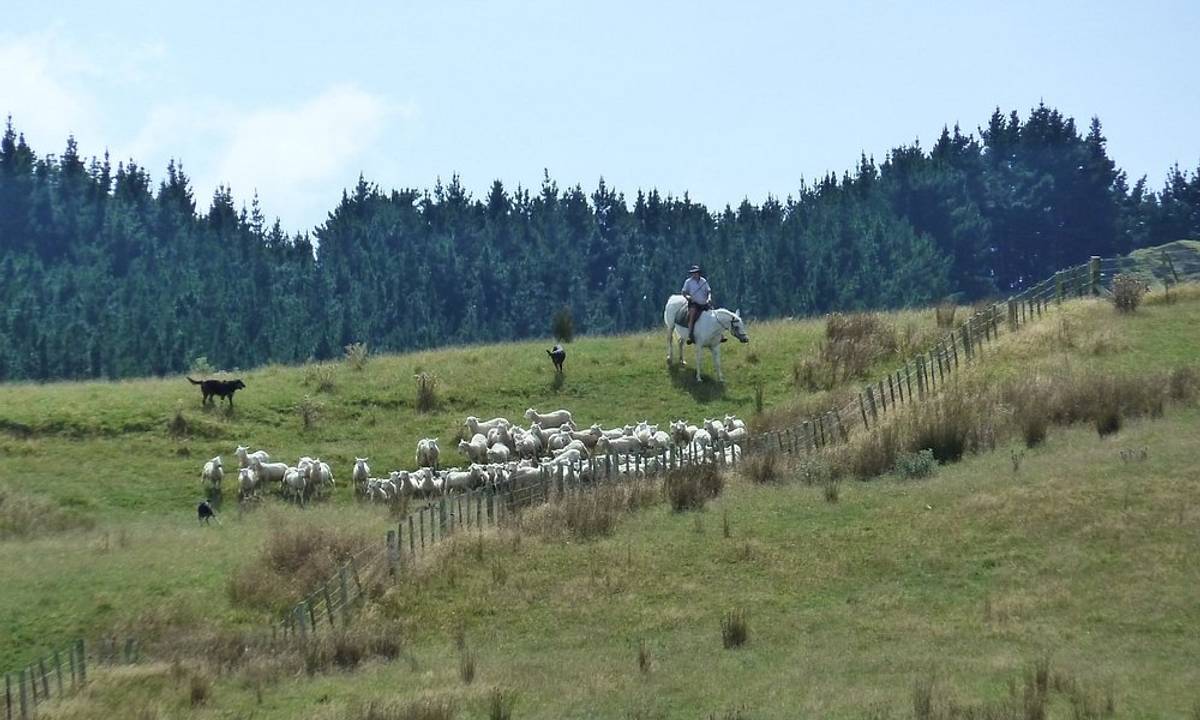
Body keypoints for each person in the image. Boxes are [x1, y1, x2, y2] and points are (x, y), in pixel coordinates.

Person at [681, 264, 713, 344]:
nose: (695, 274)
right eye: (693, 273)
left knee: (713, 315)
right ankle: (690, 335)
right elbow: (684, 292)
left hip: (704, 303)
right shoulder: (688, 282)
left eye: (696, 272)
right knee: (691, 317)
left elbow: (708, 291)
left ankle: (719, 335)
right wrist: (688, 297)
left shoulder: (703, 281)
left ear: (699, 273)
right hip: (694, 303)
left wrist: (709, 298)